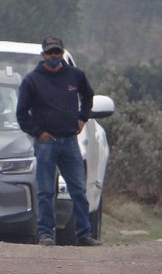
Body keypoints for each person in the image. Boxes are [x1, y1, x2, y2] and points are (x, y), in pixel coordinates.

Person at [16, 36, 101, 247]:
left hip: (70, 141)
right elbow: (22, 114)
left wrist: (83, 117)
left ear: (62, 53)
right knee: (46, 191)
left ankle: (83, 234)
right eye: (50, 53)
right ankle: (46, 234)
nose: (54, 57)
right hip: (46, 143)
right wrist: (38, 133)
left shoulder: (75, 75)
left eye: (57, 52)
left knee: (78, 190)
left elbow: (88, 96)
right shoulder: (31, 80)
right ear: (43, 55)